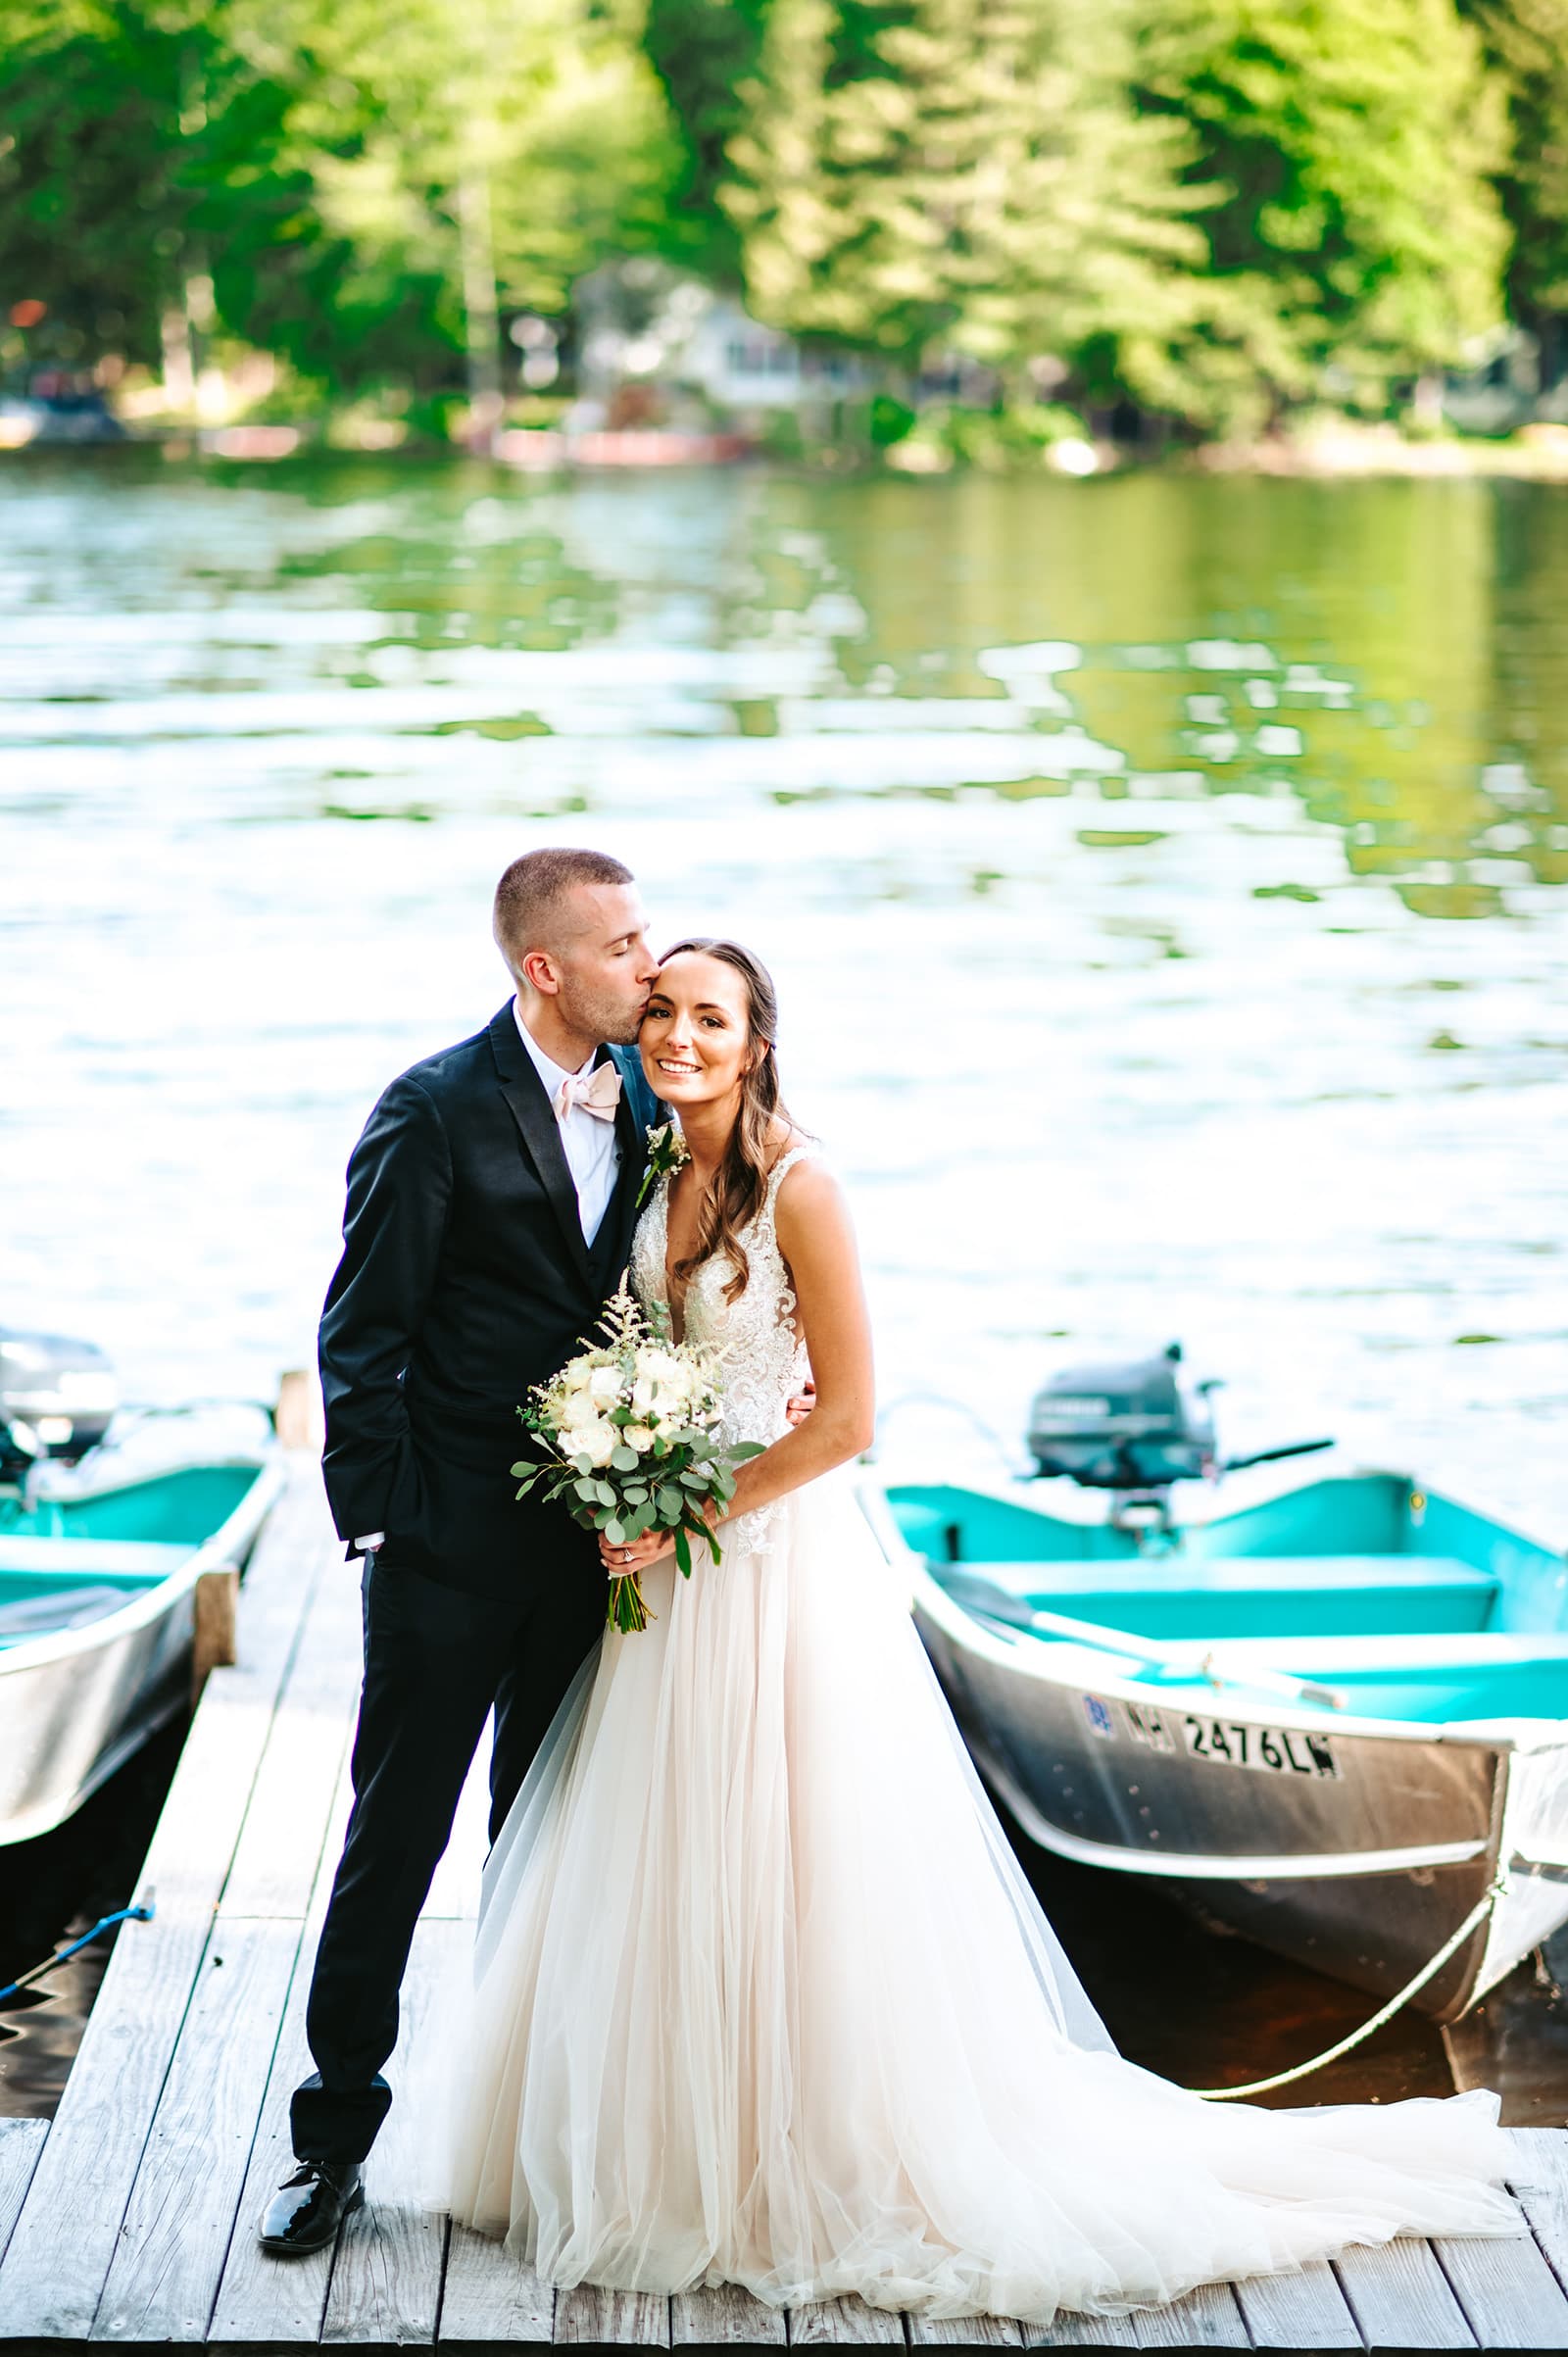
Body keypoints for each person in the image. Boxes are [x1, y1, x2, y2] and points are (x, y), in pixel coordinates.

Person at [423, 936, 1520, 2328]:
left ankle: (799, 2155)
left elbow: (851, 1421)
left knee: (790, 1851)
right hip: (674, 1572)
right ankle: (675, 2143)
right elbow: (646, 1350)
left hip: (766, 1564)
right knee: (677, 1846)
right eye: (662, 1013)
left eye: (713, 1018)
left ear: (758, 1044)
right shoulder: (655, 1164)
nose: (680, 1035)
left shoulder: (802, 1188)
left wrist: (686, 1510)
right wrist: (620, 1461)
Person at [262, 849, 667, 2256]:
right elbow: (359, 1338)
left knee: (549, 1841)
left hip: (598, 1552)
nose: (649, 962)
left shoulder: (663, 1098)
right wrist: (383, 1531)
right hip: (441, 1550)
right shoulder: (431, 1109)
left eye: (647, 933)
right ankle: (331, 2140)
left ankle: (526, 2126)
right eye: (621, 944)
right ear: (543, 969)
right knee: (396, 1837)